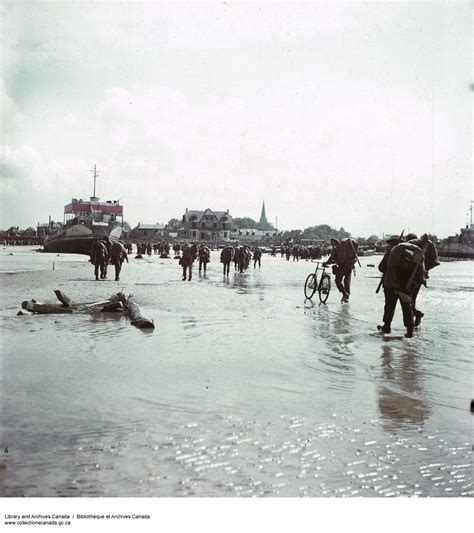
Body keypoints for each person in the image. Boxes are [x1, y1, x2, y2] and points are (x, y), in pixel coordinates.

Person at [377, 235, 424, 338]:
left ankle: (387, 326)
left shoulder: (391, 251)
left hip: (390, 284)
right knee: (406, 307)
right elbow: (419, 271)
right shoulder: (412, 252)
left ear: (391, 243)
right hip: (406, 285)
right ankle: (409, 331)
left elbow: (381, 268)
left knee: (389, 306)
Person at [404, 232, 440, 326]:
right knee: (413, 299)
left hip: (411, 277)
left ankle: (416, 314)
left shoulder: (412, 246)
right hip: (421, 277)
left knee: (407, 299)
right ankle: (415, 319)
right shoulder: (426, 247)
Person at [324, 237, 358, 302]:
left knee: (338, 281)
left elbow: (332, 258)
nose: (331, 243)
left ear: (335, 242)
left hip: (342, 266)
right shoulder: (343, 249)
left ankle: (344, 294)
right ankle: (347, 297)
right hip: (350, 265)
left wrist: (326, 263)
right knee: (347, 281)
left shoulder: (336, 248)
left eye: (332, 242)